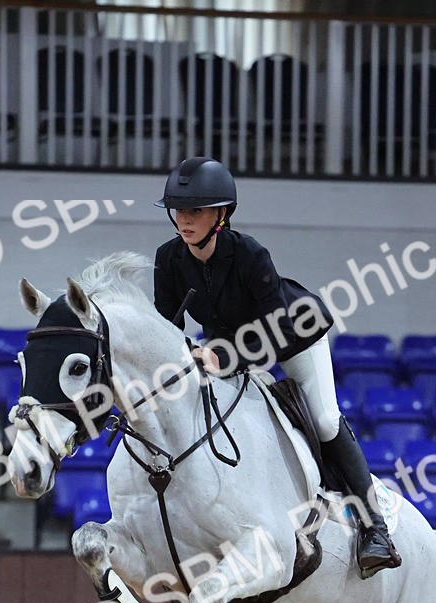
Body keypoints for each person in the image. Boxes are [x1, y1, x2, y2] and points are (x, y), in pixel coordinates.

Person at [152, 156, 401, 576]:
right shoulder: (169, 258)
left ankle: (375, 529)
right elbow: (165, 328)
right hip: (225, 345)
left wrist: (222, 357)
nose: (184, 220)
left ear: (221, 215)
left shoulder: (249, 254)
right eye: (179, 211)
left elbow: (276, 330)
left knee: (323, 421)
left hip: (294, 335)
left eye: (195, 210)